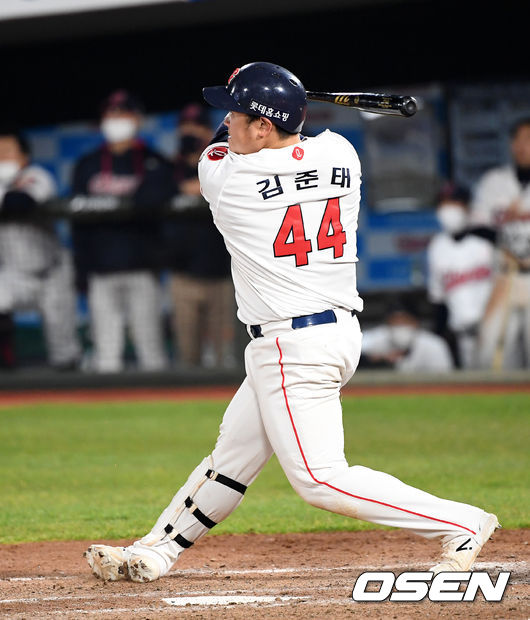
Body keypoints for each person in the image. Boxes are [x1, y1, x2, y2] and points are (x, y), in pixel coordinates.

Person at [85, 63, 498, 583]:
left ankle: (459, 523)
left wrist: (264, 95)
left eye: (237, 113)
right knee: (230, 459)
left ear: (262, 127)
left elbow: (216, 148)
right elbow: (283, 137)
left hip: (293, 347)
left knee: (320, 480)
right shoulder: (341, 152)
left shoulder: (228, 180)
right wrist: (275, 101)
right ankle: (156, 550)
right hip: (333, 333)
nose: (227, 121)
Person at [71, 90, 175, 372]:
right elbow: (76, 221)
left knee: (151, 350)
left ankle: (160, 411)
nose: (116, 120)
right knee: (107, 354)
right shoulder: (87, 164)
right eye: (111, 114)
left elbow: (155, 199)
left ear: (137, 119)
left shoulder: (155, 160)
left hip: (142, 267)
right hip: (100, 270)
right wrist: (81, 270)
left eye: (123, 114)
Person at [0, 128, 80, 370]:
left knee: (64, 351)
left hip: (52, 273)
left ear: (24, 156)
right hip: (15, 274)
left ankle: (73, 391)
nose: (2, 157)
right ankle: (6, 364)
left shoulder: (38, 175)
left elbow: (21, 203)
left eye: (7, 151)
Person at [163, 103, 235, 368]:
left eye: (197, 126)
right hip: (183, 274)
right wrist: (182, 182)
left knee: (226, 356)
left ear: (208, 130)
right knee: (187, 356)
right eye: (185, 126)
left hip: (224, 273)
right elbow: (147, 196)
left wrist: (204, 181)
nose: (191, 132)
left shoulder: (229, 161)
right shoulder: (168, 166)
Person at [470, 117, 530, 369]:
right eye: (521, 140)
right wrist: (507, 246)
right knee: (491, 354)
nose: (525, 146)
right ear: (512, 144)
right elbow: (479, 226)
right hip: (504, 277)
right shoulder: (494, 182)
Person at [426, 183, 496, 369]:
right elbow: (438, 298)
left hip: (495, 328)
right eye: (443, 203)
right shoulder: (437, 247)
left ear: (467, 206)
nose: (448, 209)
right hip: (463, 334)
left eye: (454, 202)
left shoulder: (487, 239)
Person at [360, 302, 454, 373]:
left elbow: (445, 378)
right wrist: (378, 359)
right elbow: (353, 348)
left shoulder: (434, 344)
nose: (400, 325)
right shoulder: (380, 336)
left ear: (416, 322)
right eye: (395, 321)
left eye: (405, 321)